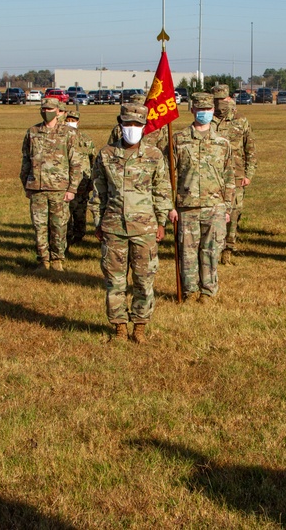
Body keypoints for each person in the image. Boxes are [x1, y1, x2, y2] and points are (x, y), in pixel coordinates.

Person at [90, 103, 173, 343]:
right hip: (113, 227)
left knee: (143, 279)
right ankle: (118, 328)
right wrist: (98, 221)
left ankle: (139, 327)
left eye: (137, 124)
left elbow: (162, 190)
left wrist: (161, 223)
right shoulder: (106, 155)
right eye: (128, 124)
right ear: (120, 124)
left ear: (144, 126)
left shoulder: (154, 155)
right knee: (114, 281)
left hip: (145, 228)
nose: (132, 128)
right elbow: (98, 191)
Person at [169, 92, 235, 302]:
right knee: (187, 252)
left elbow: (229, 177)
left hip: (214, 206)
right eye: (200, 109)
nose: (204, 113)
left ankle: (207, 291)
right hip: (186, 206)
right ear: (192, 110)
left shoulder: (222, 143)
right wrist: (169, 206)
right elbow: (168, 175)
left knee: (211, 250)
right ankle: (190, 291)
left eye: (207, 110)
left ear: (213, 111)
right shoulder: (178, 140)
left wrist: (227, 207)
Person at [20, 98, 84, 271]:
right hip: (37, 188)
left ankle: (57, 260)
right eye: (43, 108)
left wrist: (72, 188)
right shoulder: (33, 132)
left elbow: (76, 163)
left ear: (57, 111)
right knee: (39, 227)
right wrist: (26, 184)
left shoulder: (68, 133)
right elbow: (26, 159)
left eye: (49, 108)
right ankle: (43, 260)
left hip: (59, 188)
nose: (45, 111)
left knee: (58, 226)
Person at [211, 97, 256, 265]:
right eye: (217, 100)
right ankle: (213, 249)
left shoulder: (241, 120)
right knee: (213, 212)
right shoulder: (208, 118)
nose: (221, 104)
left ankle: (228, 250)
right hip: (213, 174)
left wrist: (249, 174)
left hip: (236, 174)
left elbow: (250, 148)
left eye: (224, 99)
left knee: (234, 212)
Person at [65, 106, 95, 247]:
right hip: (65, 181)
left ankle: (79, 235)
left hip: (82, 181)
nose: (70, 122)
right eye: (68, 119)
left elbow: (93, 159)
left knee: (80, 211)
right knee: (66, 212)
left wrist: (91, 181)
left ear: (78, 122)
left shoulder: (85, 139)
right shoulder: (62, 137)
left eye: (73, 120)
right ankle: (66, 236)